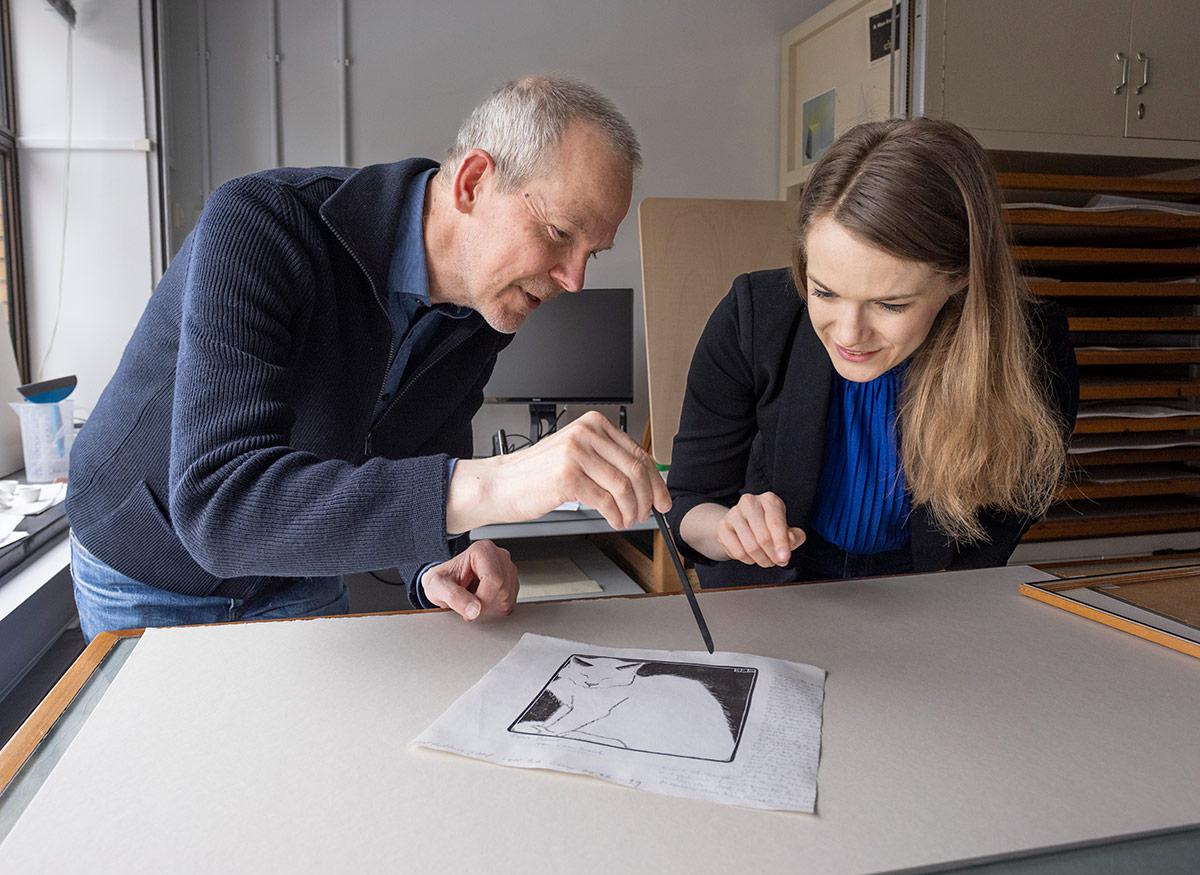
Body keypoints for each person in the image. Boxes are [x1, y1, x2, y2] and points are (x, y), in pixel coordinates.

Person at [66, 74, 669, 642]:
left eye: (593, 252)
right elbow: (219, 509)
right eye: (560, 233)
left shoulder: (483, 310)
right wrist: (500, 482)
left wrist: (436, 560)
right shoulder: (261, 221)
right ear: (473, 182)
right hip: (146, 559)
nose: (574, 281)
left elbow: (421, 448)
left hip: (295, 566)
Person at [666, 118, 1077, 589]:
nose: (849, 334)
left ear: (960, 278)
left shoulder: (1031, 349)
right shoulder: (754, 316)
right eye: (824, 292)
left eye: (889, 304)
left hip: (933, 591)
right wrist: (728, 530)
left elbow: (1000, 526)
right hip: (768, 590)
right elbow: (689, 499)